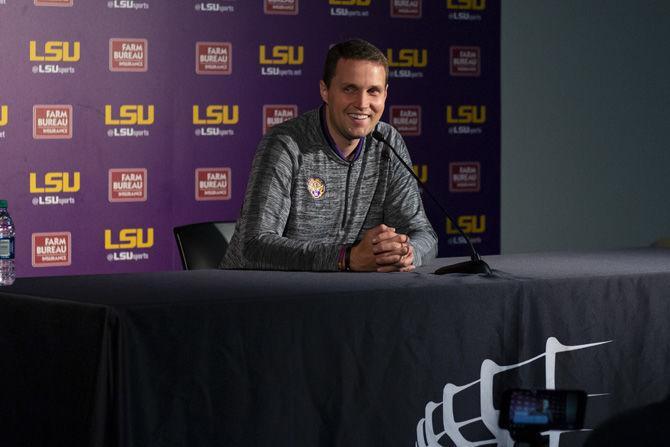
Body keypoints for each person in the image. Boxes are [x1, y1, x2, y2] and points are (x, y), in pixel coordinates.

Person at [221, 38, 437, 272]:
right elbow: (253, 247)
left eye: (373, 91)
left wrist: (406, 252)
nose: (363, 103)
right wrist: (346, 258)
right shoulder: (286, 143)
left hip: (339, 297)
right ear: (325, 90)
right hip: (259, 297)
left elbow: (424, 234)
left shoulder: (387, 142)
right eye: (349, 89)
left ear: (384, 95)